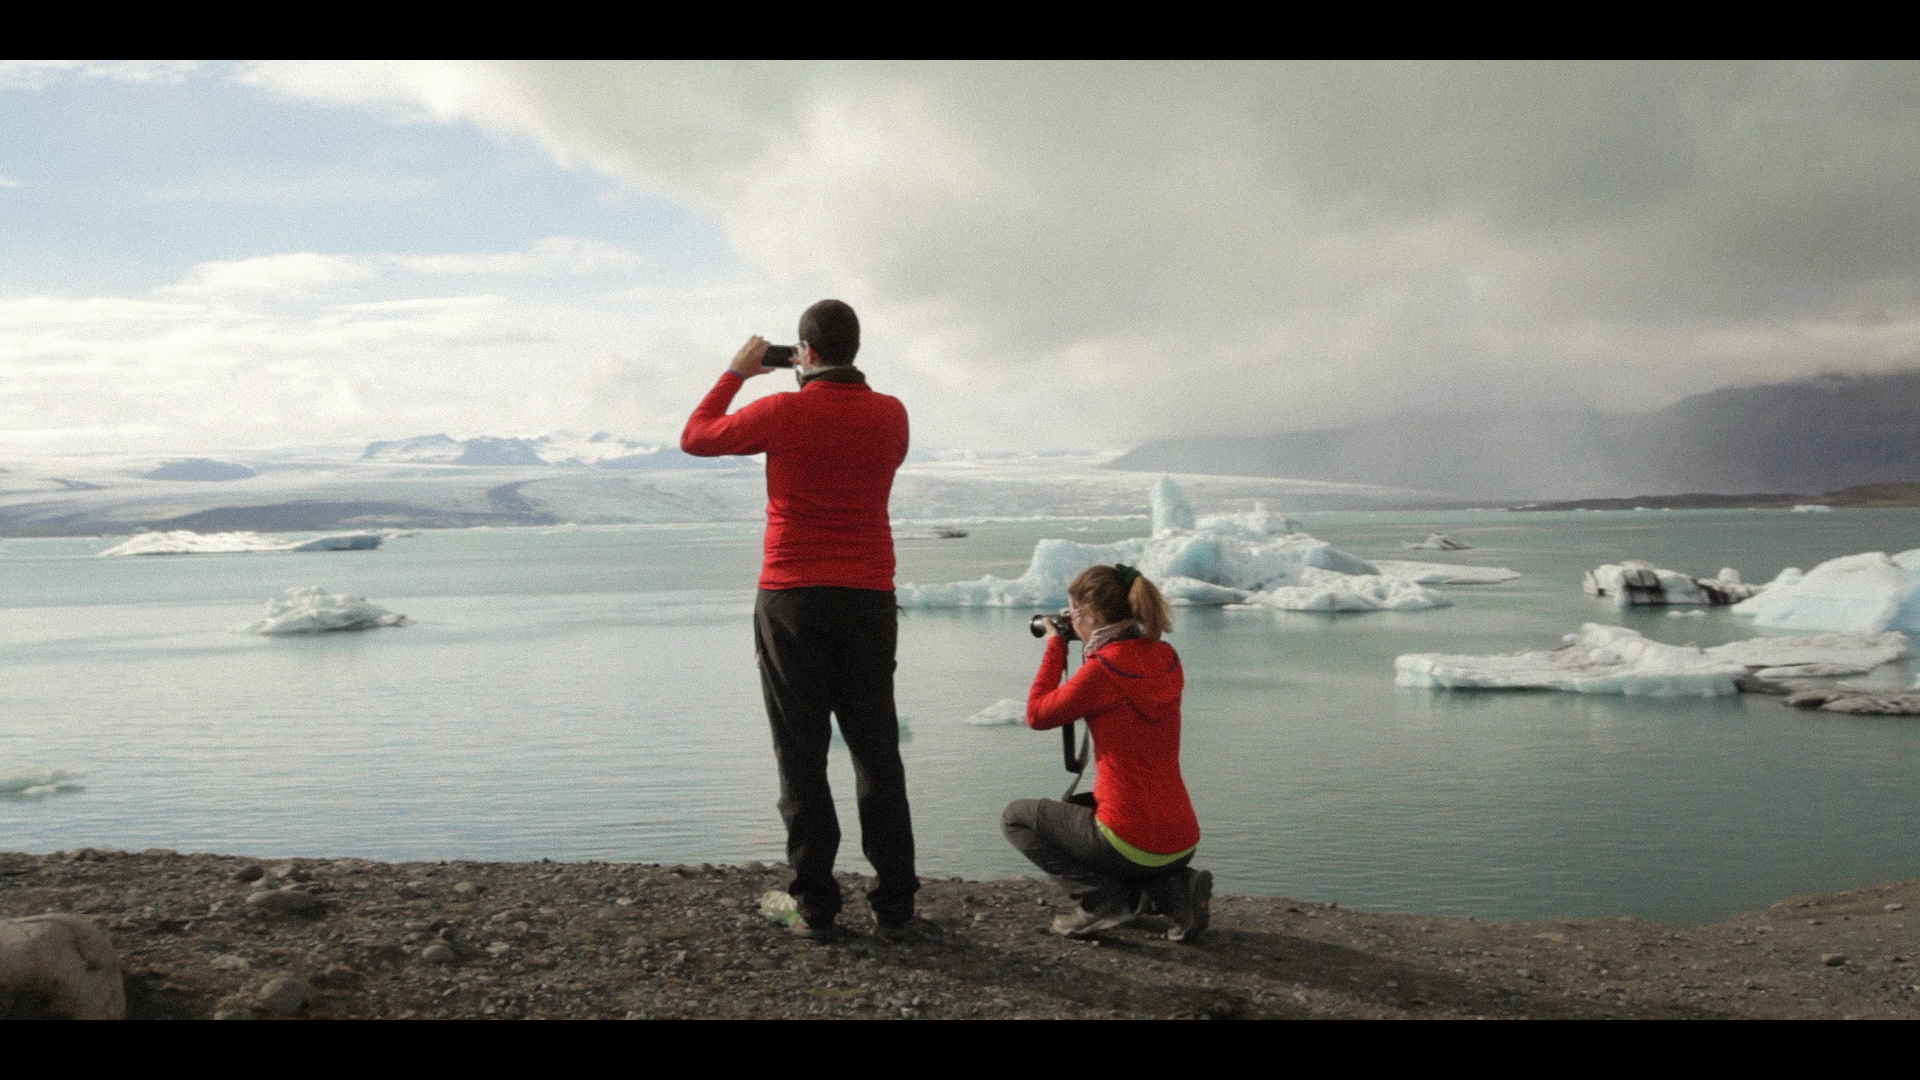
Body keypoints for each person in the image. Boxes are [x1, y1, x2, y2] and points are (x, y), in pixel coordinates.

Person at [679, 299, 917, 941]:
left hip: (793, 597)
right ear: (855, 348)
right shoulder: (892, 413)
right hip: (868, 596)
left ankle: (815, 905)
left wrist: (738, 373)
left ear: (804, 352)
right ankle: (896, 906)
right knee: (876, 751)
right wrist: (809, 379)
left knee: (802, 754)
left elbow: (697, 436)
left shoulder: (784, 410)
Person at [1002, 564, 1212, 941]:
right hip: (1182, 839)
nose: (1070, 620)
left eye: (1075, 612)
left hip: (1132, 841)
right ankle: (1175, 891)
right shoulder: (1166, 656)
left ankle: (1100, 901)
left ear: (1094, 615)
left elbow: (1037, 714)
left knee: (1018, 817)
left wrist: (1055, 645)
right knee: (1085, 806)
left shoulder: (1104, 670)